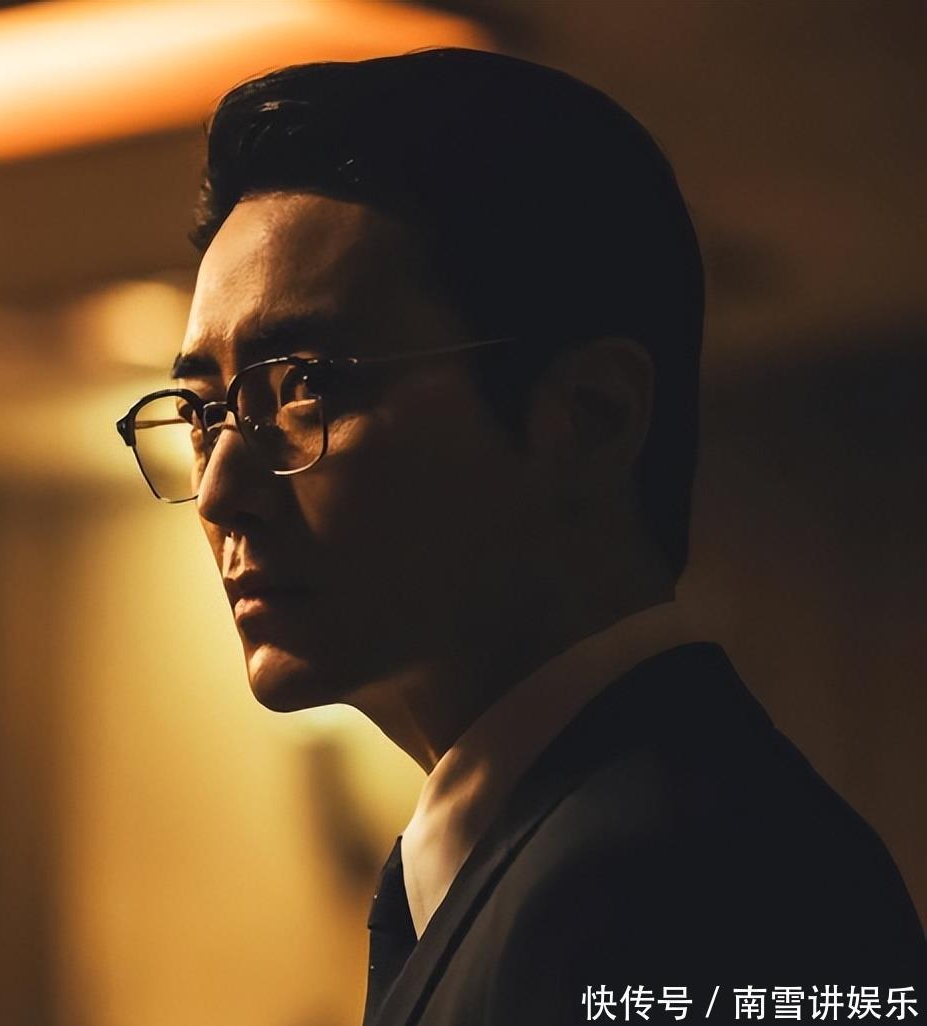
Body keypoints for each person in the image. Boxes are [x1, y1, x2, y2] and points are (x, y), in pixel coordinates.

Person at [115, 48, 925, 1025]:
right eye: (203, 412)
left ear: (589, 417)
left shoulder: (673, 888)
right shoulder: (568, 855)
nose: (217, 492)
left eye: (304, 387)